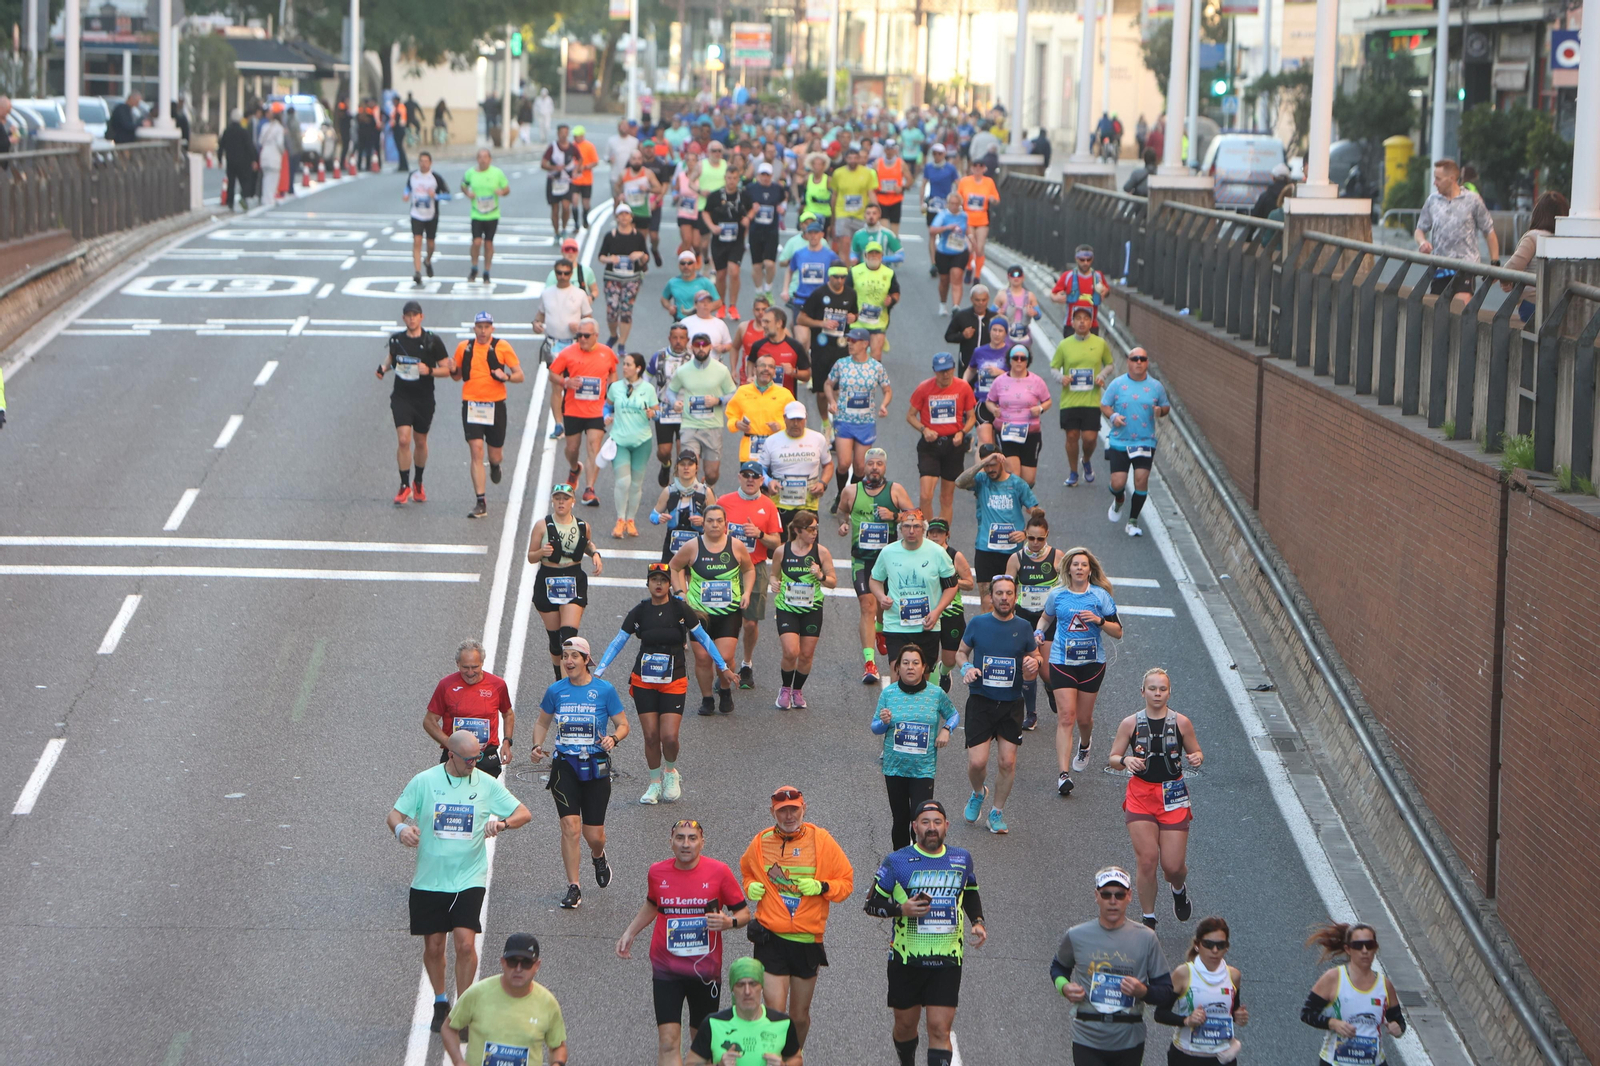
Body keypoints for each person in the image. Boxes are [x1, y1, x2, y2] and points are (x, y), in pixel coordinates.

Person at [388, 729, 532, 1032]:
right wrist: (402, 831)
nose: (474, 764)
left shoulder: (485, 783)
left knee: (466, 944)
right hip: (430, 879)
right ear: (450, 754)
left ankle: (465, 1008)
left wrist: (502, 823)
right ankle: (441, 1001)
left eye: (477, 757)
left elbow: (523, 813)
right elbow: (395, 815)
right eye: (468, 759)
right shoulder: (425, 781)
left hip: (469, 877)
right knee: (434, 946)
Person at [596, 564, 735, 802]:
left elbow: (703, 638)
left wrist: (723, 667)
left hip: (674, 680)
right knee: (651, 736)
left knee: (669, 737)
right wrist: (598, 671)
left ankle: (670, 771)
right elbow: (618, 641)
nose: (658, 584)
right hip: (644, 681)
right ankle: (654, 783)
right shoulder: (640, 611)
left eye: (663, 580)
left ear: (669, 584)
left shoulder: (680, 609)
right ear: (648, 584)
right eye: (654, 580)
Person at [617, 820, 750, 1066]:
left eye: (691, 838)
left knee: (701, 1043)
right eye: (680, 838)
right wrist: (630, 932)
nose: (685, 844)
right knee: (668, 1041)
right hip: (666, 969)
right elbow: (653, 903)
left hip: (705, 971)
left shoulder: (719, 872)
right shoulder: (657, 872)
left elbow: (744, 914)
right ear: (671, 842)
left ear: (702, 842)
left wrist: (728, 922)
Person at [864, 799, 985, 1066]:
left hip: (947, 960)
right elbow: (871, 904)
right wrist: (900, 909)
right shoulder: (897, 861)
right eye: (926, 822)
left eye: (937, 822)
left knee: (940, 1029)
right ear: (914, 826)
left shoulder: (961, 858)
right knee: (905, 1027)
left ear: (947, 826)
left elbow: (971, 890)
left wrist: (977, 920)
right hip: (906, 961)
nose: (932, 827)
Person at [739, 787, 855, 1058]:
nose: (789, 816)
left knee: (799, 1016)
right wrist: (751, 885)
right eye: (782, 811)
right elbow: (747, 869)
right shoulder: (761, 842)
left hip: (806, 942)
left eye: (794, 809)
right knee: (776, 1013)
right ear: (773, 813)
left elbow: (846, 883)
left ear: (804, 809)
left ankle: (794, 1053)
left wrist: (822, 886)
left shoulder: (821, 840)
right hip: (771, 939)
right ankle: (780, 1058)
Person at [530, 637, 631, 910]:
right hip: (565, 766)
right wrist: (537, 745)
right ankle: (574, 886)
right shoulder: (556, 691)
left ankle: (598, 856)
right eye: (565, 656)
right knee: (570, 828)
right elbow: (542, 722)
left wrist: (613, 738)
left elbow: (623, 724)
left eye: (574, 656)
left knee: (593, 834)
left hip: (596, 765)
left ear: (587, 660)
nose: (568, 661)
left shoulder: (604, 690)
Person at [1050, 866, 1178, 1066]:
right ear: (1096, 896)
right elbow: (1059, 967)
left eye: (1119, 895)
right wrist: (1063, 986)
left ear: (1129, 896)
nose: (1112, 901)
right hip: (1087, 1036)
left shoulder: (1146, 938)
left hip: (1129, 1038)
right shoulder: (1077, 935)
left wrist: (1143, 991)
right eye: (1106, 894)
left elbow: (1166, 992)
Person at [1109, 668, 1203, 928]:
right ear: (1143, 692)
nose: (1157, 694)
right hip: (1141, 794)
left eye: (1162, 689)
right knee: (1147, 859)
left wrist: (1196, 757)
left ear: (1169, 692)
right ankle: (1148, 918)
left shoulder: (1181, 722)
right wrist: (1125, 759)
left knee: (1172, 866)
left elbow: (1196, 751)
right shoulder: (1130, 723)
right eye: (1152, 689)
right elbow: (1113, 758)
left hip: (1172, 796)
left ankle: (1178, 888)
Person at [954, 574, 1039, 835]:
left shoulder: (1024, 627)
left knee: (1007, 763)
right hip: (981, 701)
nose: (1004, 598)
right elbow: (960, 653)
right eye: (999, 593)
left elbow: (1034, 657)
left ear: (1016, 597)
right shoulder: (978, 623)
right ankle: (978, 792)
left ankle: (996, 813)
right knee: (977, 763)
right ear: (991, 597)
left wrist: (1034, 663)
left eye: (1009, 593)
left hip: (1011, 703)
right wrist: (966, 668)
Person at [1038, 545, 1121, 793]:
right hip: (1062, 662)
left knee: (1084, 719)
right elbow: (1046, 617)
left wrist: (1099, 621)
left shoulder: (1100, 596)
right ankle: (1063, 775)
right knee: (1066, 717)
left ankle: (1085, 744)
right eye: (1075, 564)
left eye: (1084, 565)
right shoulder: (1058, 595)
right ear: (1069, 569)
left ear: (1090, 569)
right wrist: (1039, 631)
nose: (1080, 568)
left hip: (1092, 664)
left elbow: (1118, 632)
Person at [837, 445, 915, 685]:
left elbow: (915, 516)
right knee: (866, 605)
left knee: (883, 603)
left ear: (884, 467)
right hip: (862, 558)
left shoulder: (895, 490)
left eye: (879, 464)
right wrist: (844, 524)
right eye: (870, 463)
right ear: (864, 466)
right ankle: (869, 663)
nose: (874, 468)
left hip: (889, 559)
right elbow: (842, 512)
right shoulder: (851, 491)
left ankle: (881, 628)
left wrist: (895, 517)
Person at [669, 504, 756, 715]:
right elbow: (674, 566)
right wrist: (681, 592)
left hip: (728, 611)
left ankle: (725, 689)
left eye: (719, 520)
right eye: (710, 521)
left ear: (726, 524)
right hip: (700, 613)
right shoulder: (692, 546)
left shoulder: (736, 546)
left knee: (725, 657)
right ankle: (707, 698)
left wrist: (746, 593)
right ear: (703, 523)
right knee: (702, 658)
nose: (715, 524)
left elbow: (749, 569)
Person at [870, 651, 959, 850]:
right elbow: (875, 728)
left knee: (919, 819)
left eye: (915, 663)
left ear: (923, 667)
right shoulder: (889, 693)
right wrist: (883, 722)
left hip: (923, 769)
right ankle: (899, 862)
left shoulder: (935, 694)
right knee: (900, 820)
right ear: (898, 668)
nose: (910, 667)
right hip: (895, 768)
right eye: (906, 663)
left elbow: (953, 715)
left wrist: (946, 729)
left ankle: (919, 860)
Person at [441, 932, 567, 1066]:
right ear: (503, 962)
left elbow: (558, 1046)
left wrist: (557, 1064)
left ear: (537, 965)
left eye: (526, 963)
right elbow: (448, 1028)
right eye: (512, 962)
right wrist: (458, 1061)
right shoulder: (477, 994)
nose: (518, 969)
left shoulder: (547, 1003)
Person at [870, 510, 960, 685]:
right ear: (900, 529)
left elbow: (952, 586)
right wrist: (881, 597)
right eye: (907, 526)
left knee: (921, 680)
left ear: (923, 529)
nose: (911, 531)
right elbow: (875, 579)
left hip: (927, 625)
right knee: (898, 677)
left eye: (916, 527)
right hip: (897, 624)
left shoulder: (937, 552)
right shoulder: (888, 552)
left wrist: (937, 612)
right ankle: (897, 712)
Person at [1301, 921, 1408, 1066]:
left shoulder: (1385, 985)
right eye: (1358, 945)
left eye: (1369, 945)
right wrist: (1332, 1023)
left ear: (1375, 948)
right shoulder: (1333, 978)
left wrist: (1398, 1028)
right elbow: (1307, 1014)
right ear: (1348, 949)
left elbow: (1398, 1022)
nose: (1364, 950)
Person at [376, 299, 452, 504]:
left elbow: (448, 369)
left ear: (421, 317)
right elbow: (392, 359)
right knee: (403, 440)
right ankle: (404, 485)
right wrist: (383, 368)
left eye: (415, 315)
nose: (411, 319)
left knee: (420, 441)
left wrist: (430, 370)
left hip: (424, 398)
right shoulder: (396, 340)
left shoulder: (432, 341)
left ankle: (418, 481)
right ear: (403, 318)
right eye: (408, 315)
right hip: (401, 396)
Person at [526, 483, 604, 677]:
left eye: (565, 499)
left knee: (567, 637)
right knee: (555, 641)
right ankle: (559, 678)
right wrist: (541, 552)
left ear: (573, 501)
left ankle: (570, 684)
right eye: (558, 498)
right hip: (548, 579)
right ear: (552, 500)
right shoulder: (541, 525)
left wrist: (595, 553)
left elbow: (585, 543)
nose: (561, 502)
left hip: (573, 579)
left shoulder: (582, 525)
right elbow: (530, 556)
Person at [718, 461, 784, 690]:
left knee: (750, 623)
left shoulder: (768, 505)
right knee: (723, 618)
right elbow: (711, 530)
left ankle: (746, 662)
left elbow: (776, 541)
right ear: (739, 477)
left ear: (761, 480)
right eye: (746, 475)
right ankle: (723, 665)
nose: (750, 479)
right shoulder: (723, 502)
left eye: (755, 476)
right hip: (726, 568)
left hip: (755, 568)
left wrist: (759, 534)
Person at [452, 312, 524, 519]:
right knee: (476, 451)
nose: (483, 331)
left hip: (495, 405)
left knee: (495, 454)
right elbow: (457, 376)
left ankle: (495, 465)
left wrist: (507, 376)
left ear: (492, 328)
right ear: (474, 328)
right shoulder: (464, 348)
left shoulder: (502, 347)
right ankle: (480, 501)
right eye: (479, 327)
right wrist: (451, 369)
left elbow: (520, 375)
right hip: (472, 404)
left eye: (486, 327)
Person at [1155, 917, 1249, 1065]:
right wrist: (1187, 1020)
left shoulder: (1233, 976)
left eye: (1220, 945)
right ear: (1197, 945)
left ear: (1227, 947)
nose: (1215, 950)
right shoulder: (1184, 973)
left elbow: (1232, 1012)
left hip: (1221, 1058)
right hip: (1187, 1057)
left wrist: (1239, 1017)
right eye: (1208, 944)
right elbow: (1160, 1014)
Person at [955, 443, 1037, 609]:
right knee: (987, 600)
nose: (990, 469)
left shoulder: (1018, 484)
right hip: (986, 550)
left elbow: (1037, 514)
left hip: (1012, 553)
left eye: (993, 465)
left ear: (1002, 461)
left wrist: (1026, 533)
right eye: (987, 466)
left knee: (1010, 600)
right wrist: (982, 463)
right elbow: (959, 482)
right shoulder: (981, 480)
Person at [770, 510, 837, 709]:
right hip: (787, 607)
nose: (814, 533)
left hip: (812, 608)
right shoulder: (782, 551)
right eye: (810, 529)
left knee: (806, 655)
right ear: (798, 530)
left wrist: (820, 576)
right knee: (791, 651)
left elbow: (833, 582)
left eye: (816, 528)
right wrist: (774, 583)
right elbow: (773, 575)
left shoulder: (821, 552)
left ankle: (797, 690)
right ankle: (784, 689)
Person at [1004, 510, 1064, 735]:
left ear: (1047, 535)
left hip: (1048, 619)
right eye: (1031, 538)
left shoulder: (1058, 556)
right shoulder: (1016, 559)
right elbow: (1007, 591)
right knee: (1028, 667)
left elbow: (1069, 586)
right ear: (1025, 535)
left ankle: (1050, 686)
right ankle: (1031, 714)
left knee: (1046, 671)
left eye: (1041, 538)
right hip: (1024, 617)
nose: (1036, 543)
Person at [1101, 347, 1170, 537]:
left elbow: (1165, 407)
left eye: (1142, 359)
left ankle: (1132, 521)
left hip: (1145, 441)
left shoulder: (1156, 387)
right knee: (1117, 483)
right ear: (1128, 361)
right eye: (1134, 359)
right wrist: (1113, 415)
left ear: (1147, 362)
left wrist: (1160, 411)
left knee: (1141, 479)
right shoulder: (1117, 384)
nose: (1138, 362)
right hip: (1120, 441)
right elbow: (1104, 405)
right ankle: (1119, 499)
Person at [550, 320, 619, 506]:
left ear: (596, 335)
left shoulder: (607, 353)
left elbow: (613, 372)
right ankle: (574, 469)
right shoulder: (568, 353)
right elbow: (553, 374)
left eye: (586, 335)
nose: (581, 339)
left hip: (597, 410)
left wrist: (611, 393)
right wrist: (566, 382)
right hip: (573, 409)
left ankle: (589, 489)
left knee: (594, 446)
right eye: (579, 335)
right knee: (572, 449)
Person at [687, 957, 803, 1066]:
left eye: (753, 984)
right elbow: (691, 1063)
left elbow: (797, 1059)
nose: (747, 991)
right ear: (733, 989)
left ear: (761, 987)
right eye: (740, 985)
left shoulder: (782, 1023)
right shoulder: (713, 1023)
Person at [825, 329, 894, 510]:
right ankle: (841, 495)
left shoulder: (876, 367)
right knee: (843, 463)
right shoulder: (842, 364)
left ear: (865, 344)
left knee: (860, 467)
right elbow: (828, 384)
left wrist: (884, 405)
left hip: (865, 422)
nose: (850, 344)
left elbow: (887, 389)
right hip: (844, 420)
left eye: (854, 341)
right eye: (849, 341)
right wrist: (832, 401)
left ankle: (852, 496)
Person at [425, 638, 513, 780]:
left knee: (483, 801)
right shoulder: (446, 685)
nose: (470, 672)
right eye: (465, 667)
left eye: (475, 667)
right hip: (455, 757)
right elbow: (429, 721)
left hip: (485, 756)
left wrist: (507, 742)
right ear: (457, 664)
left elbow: (508, 713)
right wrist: (450, 743)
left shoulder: (497, 685)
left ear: (482, 663)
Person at [907, 352, 977, 525]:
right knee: (925, 495)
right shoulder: (924, 388)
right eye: (940, 371)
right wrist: (924, 429)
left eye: (948, 370)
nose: (945, 375)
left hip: (953, 445)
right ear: (934, 371)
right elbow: (910, 416)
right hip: (930, 445)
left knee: (946, 497)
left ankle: (942, 537)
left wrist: (962, 432)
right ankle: (929, 533)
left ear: (953, 368)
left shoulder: (963, 387)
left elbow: (972, 418)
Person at [1414, 157, 1498, 298]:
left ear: (1452, 178)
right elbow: (1419, 229)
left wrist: (1495, 262)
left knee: (1459, 307)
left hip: (1465, 266)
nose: (1435, 183)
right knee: (1438, 313)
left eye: (1438, 179)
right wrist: (1422, 242)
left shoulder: (1472, 200)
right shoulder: (1433, 201)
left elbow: (1489, 231)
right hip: (1440, 266)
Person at [1050, 304, 1115, 487]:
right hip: (1070, 400)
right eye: (1078, 318)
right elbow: (1054, 367)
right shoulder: (1064, 344)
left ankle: (1086, 460)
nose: (1082, 322)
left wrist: (1101, 376)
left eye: (1085, 318)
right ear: (1072, 322)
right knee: (1071, 436)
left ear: (1091, 322)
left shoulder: (1100, 343)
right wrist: (1061, 378)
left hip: (1091, 399)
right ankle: (1073, 472)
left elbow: (1110, 364)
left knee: (1090, 438)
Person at [665, 331, 738, 487]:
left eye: (704, 345)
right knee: (689, 468)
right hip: (689, 426)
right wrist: (674, 402)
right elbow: (671, 390)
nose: (701, 349)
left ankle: (706, 485)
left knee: (712, 474)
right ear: (692, 347)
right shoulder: (683, 370)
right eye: (697, 345)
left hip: (712, 426)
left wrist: (718, 401)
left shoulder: (721, 370)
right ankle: (693, 498)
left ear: (710, 347)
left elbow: (733, 393)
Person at [758, 401, 834, 539]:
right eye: (792, 419)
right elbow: (760, 469)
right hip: (780, 504)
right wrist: (769, 481)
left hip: (808, 503)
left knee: (808, 546)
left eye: (799, 419)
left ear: (806, 419)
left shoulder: (817, 439)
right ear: (784, 419)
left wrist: (823, 483)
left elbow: (828, 465)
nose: (796, 423)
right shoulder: (772, 441)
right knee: (780, 548)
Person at [606, 353, 660, 537]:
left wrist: (652, 414)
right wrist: (606, 416)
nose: (625, 367)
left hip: (641, 442)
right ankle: (620, 520)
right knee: (623, 482)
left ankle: (631, 520)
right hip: (620, 440)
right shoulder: (615, 387)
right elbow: (608, 405)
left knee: (636, 484)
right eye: (625, 364)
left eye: (629, 364)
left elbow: (657, 412)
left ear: (638, 368)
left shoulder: (648, 389)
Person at [798, 263, 858, 429]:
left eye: (842, 277)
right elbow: (801, 319)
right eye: (836, 277)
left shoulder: (851, 294)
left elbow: (855, 313)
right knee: (822, 393)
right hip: (820, 349)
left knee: (839, 389)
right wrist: (821, 323)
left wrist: (853, 317)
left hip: (841, 348)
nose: (839, 281)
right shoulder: (819, 294)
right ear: (829, 277)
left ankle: (837, 422)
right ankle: (825, 423)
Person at [985, 343, 1051, 486]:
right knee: (1014, 474)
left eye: (1023, 358)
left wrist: (1040, 408)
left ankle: (1019, 500)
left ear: (1028, 361)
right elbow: (989, 401)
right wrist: (994, 410)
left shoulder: (1037, 381)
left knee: (1028, 480)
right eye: (1015, 358)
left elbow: (1048, 401)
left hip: (1030, 432)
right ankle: (1013, 506)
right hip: (1006, 431)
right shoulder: (1000, 381)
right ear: (1010, 360)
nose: (1019, 361)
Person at [1501, 190, 1568, 323]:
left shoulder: (1533, 237)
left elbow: (1513, 266)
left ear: (1538, 212)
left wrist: (1505, 281)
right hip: (1560, 307)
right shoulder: (1565, 239)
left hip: (1531, 305)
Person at [924, 519, 974, 693]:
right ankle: (927, 689)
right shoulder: (921, 554)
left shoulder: (955, 556)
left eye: (939, 532)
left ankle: (944, 672)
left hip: (952, 610)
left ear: (947, 535)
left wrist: (951, 582)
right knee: (925, 655)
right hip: (927, 610)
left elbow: (969, 583)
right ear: (927, 534)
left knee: (950, 659)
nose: (935, 535)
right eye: (932, 532)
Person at [725, 354, 795, 465]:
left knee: (774, 483)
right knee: (750, 482)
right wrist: (736, 424)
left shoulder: (785, 394)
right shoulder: (743, 391)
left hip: (777, 450)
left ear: (775, 371)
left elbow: (795, 421)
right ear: (755, 369)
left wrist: (781, 427)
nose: (766, 369)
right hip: (749, 453)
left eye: (771, 366)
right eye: (762, 366)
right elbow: (731, 414)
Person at [598, 209, 651, 350]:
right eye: (620, 215)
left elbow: (646, 257)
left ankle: (622, 342)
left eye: (626, 214)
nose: (624, 217)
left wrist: (640, 255)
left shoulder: (638, 236)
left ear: (631, 217)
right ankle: (613, 334)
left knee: (626, 311)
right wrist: (610, 259)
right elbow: (601, 256)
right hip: (612, 277)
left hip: (631, 279)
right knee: (612, 310)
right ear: (616, 218)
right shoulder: (611, 236)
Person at [702, 167, 750, 320]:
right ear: (725, 178)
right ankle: (721, 304)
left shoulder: (743, 195)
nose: (731, 181)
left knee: (734, 271)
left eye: (734, 178)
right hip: (719, 240)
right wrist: (712, 227)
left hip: (736, 240)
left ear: (738, 179)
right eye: (729, 178)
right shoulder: (716, 196)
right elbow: (705, 212)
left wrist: (748, 218)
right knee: (721, 275)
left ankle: (733, 306)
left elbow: (753, 209)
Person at [534, 259, 594, 373]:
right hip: (552, 343)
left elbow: (589, 320)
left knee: (572, 379)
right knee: (556, 381)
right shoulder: (546, 293)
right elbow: (540, 315)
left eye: (566, 273)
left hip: (573, 343)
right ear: (555, 273)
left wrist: (580, 328)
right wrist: (536, 324)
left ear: (571, 274)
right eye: (559, 273)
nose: (562, 276)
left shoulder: (580, 294)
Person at [650, 324, 695, 480]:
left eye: (682, 338)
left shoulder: (694, 358)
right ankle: (666, 464)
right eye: (675, 337)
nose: (678, 341)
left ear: (687, 340)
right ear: (669, 338)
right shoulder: (659, 356)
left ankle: (679, 484)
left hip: (686, 411)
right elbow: (645, 378)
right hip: (665, 409)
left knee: (683, 450)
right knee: (664, 451)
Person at [652, 450, 712, 562]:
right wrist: (659, 518)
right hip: (673, 543)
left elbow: (717, 521)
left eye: (690, 464)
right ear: (677, 467)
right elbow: (653, 515)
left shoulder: (705, 492)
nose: (686, 468)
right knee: (670, 576)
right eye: (682, 464)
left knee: (694, 578)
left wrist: (703, 521)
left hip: (698, 542)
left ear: (696, 468)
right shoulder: (669, 491)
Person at [461, 149, 510, 285]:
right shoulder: (470, 173)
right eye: (480, 157)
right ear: (477, 159)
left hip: (492, 214)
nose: (483, 160)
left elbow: (507, 189)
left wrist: (501, 192)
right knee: (477, 242)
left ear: (490, 159)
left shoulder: (497, 173)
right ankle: (474, 267)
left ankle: (487, 271)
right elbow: (463, 185)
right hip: (477, 213)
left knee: (488, 243)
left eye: (485, 157)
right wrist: (467, 193)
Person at [744, 162, 789, 300]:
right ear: (758, 176)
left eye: (767, 175)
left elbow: (784, 199)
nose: (765, 178)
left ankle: (768, 288)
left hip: (771, 231)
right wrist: (751, 208)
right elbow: (743, 205)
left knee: (769, 263)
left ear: (772, 176)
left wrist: (782, 209)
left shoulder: (777, 189)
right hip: (755, 230)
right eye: (762, 175)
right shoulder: (750, 189)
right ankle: (758, 292)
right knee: (757, 265)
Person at [851, 242, 901, 360]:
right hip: (858, 321)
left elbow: (896, 293)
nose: (874, 256)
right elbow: (846, 291)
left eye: (876, 253)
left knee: (876, 355)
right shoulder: (855, 271)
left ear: (881, 256)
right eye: (871, 253)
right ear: (865, 256)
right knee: (857, 355)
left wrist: (892, 300)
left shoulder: (889, 273)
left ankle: (873, 377)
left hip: (879, 320)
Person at [403, 153, 448, 286]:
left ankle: (427, 260)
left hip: (431, 215)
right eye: (421, 161)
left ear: (430, 163)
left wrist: (436, 196)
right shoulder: (413, 175)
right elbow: (408, 187)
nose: (423, 164)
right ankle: (417, 272)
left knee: (431, 244)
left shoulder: (436, 178)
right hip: (416, 214)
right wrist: (406, 194)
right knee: (417, 241)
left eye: (426, 161)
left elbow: (447, 195)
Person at [953, 157, 999, 282]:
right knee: (969, 248)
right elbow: (958, 197)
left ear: (984, 169)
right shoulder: (965, 181)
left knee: (979, 247)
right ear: (971, 168)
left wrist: (992, 199)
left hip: (982, 219)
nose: (977, 169)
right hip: (967, 218)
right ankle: (969, 267)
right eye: (975, 166)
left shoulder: (989, 182)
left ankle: (977, 275)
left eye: (980, 166)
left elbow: (996, 199)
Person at [831, 144, 880, 259]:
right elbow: (834, 195)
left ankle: (859, 270)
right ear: (845, 158)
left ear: (859, 159)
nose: (853, 160)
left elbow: (871, 193)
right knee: (845, 243)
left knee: (861, 245)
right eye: (850, 158)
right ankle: (846, 274)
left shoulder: (867, 173)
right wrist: (833, 215)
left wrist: (876, 210)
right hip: (843, 213)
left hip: (861, 214)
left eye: (855, 158)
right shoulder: (838, 173)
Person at [747, 306, 810, 396]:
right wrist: (750, 376)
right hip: (762, 399)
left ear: (779, 323)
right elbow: (751, 362)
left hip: (786, 402)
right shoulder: (758, 346)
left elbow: (807, 375)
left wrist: (793, 372)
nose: (763, 325)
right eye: (763, 321)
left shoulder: (795, 346)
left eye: (767, 322)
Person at [1050, 245, 1112, 334]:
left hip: (1092, 327)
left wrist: (1105, 292)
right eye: (1082, 260)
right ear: (1076, 259)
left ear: (1092, 259)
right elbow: (1053, 294)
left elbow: (1107, 292)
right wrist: (1056, 298)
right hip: (1071, 326)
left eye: (1088, 260)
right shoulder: (1067, 276)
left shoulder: (1098, 276)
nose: (1085, 263)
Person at [923, 143, 961, 278]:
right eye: (934, 153)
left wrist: (956, 201)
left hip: (946, 206)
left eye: (939, 153)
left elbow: (958, 184)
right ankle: (933, 263)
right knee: (932, 234)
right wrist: (922, 202)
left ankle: (946, 259)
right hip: (933, 204)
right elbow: (924, 184)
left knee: (946, 233)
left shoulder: (950, 169)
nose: (937, 156)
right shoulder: (928, 167)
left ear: (944, 154)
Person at [928, 196, 970, 314]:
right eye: (951, 203)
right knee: (944, 280)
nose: (954, 206)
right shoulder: (943, 215)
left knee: (957, 276)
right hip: (943, 252)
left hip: (960, 251)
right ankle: (943, 303)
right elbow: (932, 230)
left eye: (956, 204)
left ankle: (956, 307)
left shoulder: (964, 216)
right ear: (947, 204)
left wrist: (973, 244)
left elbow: (970, 231)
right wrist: (947, 228)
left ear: (960, 205)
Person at [945, 286, 998, 376]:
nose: (981, 303)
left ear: (988, 299)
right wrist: (963, 336)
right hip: (966, 365)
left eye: (984, 300)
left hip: (989, 366)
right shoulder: (961, 316)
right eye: (977, 300)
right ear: (971, 299)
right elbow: (948, 336)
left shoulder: (995, 318)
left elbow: (1006, 339)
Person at [219, 108, 259, 210]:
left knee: (231, 183)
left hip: (230, 161)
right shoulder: (243, 132)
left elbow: (221, 146)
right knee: (244, 181)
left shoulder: (227, 131)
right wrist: (254, 159)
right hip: (243, 162)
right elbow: (249, 146)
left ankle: (230, 202)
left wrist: (219, 159)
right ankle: (244, 198)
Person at [663, 252, 722, 321]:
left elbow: (718, 302)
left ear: (695, 265)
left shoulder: (705, 282)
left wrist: (704, 309)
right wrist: (669, 307)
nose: (686, 266)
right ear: (679, 265)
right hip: (680, 322)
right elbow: (664, 299)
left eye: (689, 263)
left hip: (700, 321)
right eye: (683, 263)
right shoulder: (673, 282)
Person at [543, 124, 580, 234]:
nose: (564, 135)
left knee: (565, 206)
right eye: (561, 133)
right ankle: (556, 232)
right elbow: (543, 163)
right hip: (554, 181)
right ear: (558, 134)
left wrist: (576, 170)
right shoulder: (552, 147)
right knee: (555, 209)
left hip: (566, 181)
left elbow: (580, 159)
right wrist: (554, 167)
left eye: (566, 132)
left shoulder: (572, 147)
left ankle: (564, 227)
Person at [998, 265, 1043, 348]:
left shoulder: (1030, 296)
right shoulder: (1001, 295)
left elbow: (1038, 315)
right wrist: (997, 313)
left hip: (1024, 336)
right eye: (1013, 275)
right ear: (1008, 277)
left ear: (1023, 277)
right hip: (1007, 336)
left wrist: (1034, 313)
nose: (1016, 278)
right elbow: (990, 314)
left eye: (1019, 275)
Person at [872, 139, 909, 237]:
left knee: (894, 233)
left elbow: (910, 181)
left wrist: (902, 187)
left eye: (892, 149)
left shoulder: (901, 163)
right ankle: (884, 250)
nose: (889, 151)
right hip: (882, 199)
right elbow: (871, 180)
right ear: (884, 150)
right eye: (887, 149)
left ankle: (894, 250)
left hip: (895, 199)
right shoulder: (877, 163)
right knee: (884, 230)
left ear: (895, 150)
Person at [570, 124, 601, 229]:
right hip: (575, 180)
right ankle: (576, 224)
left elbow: (596, 161)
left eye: (577, 135)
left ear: (582, 135)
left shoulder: (589, 146)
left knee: (586, 203)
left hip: (587, 180)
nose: (575, 137)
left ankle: (585, 217)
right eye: (574, 136)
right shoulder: (572, 146)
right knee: (574, 201)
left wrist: (585, 167)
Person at [257, 108, 286, 204]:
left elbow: (260, 141)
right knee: (273, 179)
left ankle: (265, 198)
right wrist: (282, 151)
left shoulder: (265, 127)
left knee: (265, 178)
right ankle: (270, 200)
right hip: (274, 156)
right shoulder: (279, 129)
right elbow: (280, 143)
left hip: (264, 154)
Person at [607, 118, 641, 199]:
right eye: (622, 125)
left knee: (629, 200)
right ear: (618, 127)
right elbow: (606, 156)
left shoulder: (634, 141)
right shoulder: (611, 140)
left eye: (626, 125)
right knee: (617, 199)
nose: (624, 128)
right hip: (615, 175)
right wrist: (609, 160)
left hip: (630, 176)